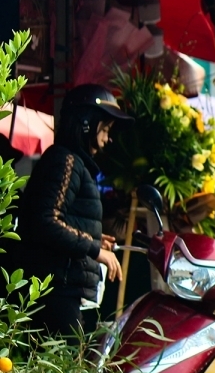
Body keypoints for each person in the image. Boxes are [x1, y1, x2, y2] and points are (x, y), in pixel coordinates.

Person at [17, 84, 130, 335]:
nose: (107, 139)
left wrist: (95, 241)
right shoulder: (65, 159)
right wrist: (93, 248)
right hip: (56, 291)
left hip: (64, 289)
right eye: (106, 128)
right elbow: (45, 220)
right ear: (87, 123)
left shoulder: (74, 163)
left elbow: (60, 217)